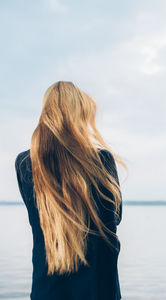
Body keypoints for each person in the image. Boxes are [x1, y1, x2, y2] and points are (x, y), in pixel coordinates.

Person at [15, 81, 127, 300]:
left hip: (46, 290)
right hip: (99, 290)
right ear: (79, 114)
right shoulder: (102, 160)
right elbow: (115, 218)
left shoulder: (25, 163)